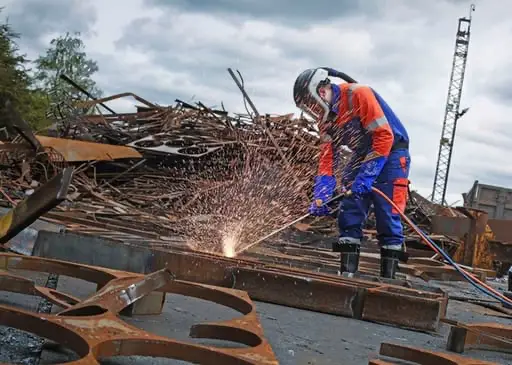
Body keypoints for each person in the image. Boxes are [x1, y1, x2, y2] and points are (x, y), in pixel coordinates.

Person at [293, 67, 411, 279]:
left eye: (311, 104)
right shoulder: (326, 120)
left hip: (392, 153)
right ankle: (347, 272)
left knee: (387, 213)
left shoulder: (358, 94)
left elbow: (384, 136)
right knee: (350, 208)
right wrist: (321, 196)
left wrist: (367, 176)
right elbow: (327, 161)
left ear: (320, 92)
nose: (314, 111)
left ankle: (389, 277)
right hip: (363, 155)